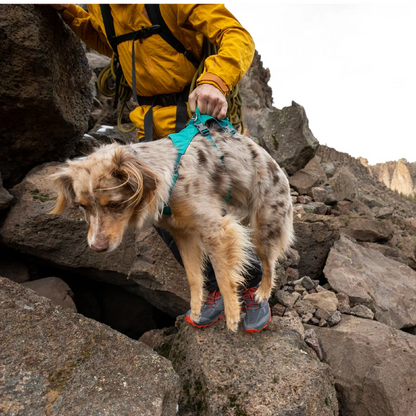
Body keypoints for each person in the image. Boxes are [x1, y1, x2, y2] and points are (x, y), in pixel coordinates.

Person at [36, 0, 271, 333]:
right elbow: (112, 44)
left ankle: (250, 289)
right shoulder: (106, 7)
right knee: (161, 215)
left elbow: (236, 36)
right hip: (148, 125)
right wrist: (70, 12)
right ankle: (215, 287)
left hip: (194, 119)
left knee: (208, 214)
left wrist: (215, 79)